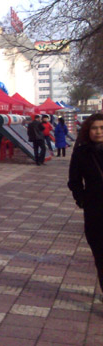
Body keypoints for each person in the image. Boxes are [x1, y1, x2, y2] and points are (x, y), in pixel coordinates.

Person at [68, 113, 103, 292]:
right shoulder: (82, 153)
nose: (98, 132)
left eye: (102, 128)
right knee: (100, 253)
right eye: (94, 128)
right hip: (95, 209)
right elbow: (74, 180)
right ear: (88, 131)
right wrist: (82, 200)